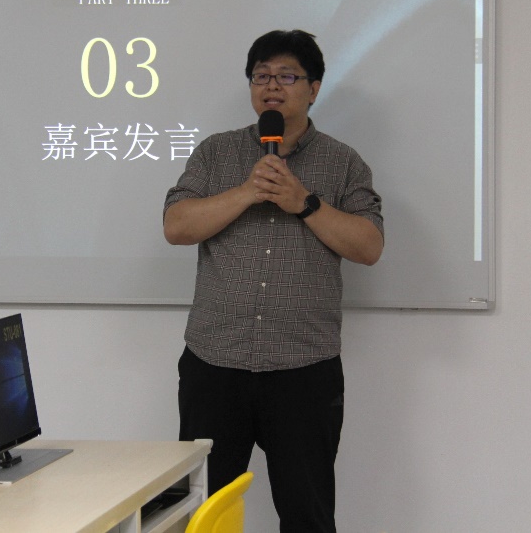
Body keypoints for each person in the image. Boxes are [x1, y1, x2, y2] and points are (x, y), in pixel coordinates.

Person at [163, 29, 384, 533]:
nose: (271, 86)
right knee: (200, 512)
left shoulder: (343, 162)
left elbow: (369, 246)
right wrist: (247, 192)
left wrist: (303, 202)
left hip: (303, 370)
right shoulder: (216, 153)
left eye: (287, 76)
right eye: (261, 76)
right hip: (215, 363)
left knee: (307, 515)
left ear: (314, 88)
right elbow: (176, 226)